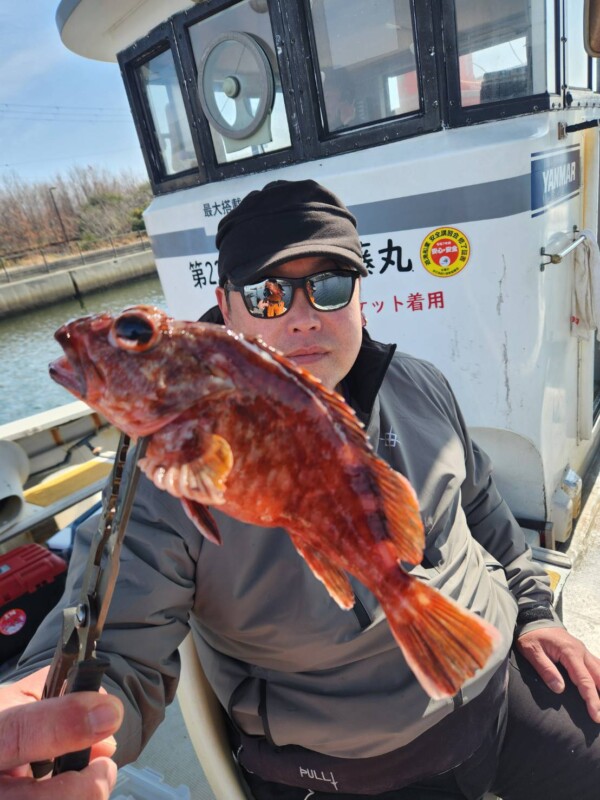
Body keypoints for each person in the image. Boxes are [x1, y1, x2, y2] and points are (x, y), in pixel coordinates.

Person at [3, 179, 600, 800]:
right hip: (346, 771)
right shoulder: (162, 471)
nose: (302, 314)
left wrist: (534, 613)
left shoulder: (422, 385)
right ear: (226, 308)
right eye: (267, 294)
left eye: (331, 284)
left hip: (501, 691)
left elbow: (481, 505)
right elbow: (118, 644)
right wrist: (50, 713)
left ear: (361, 296)